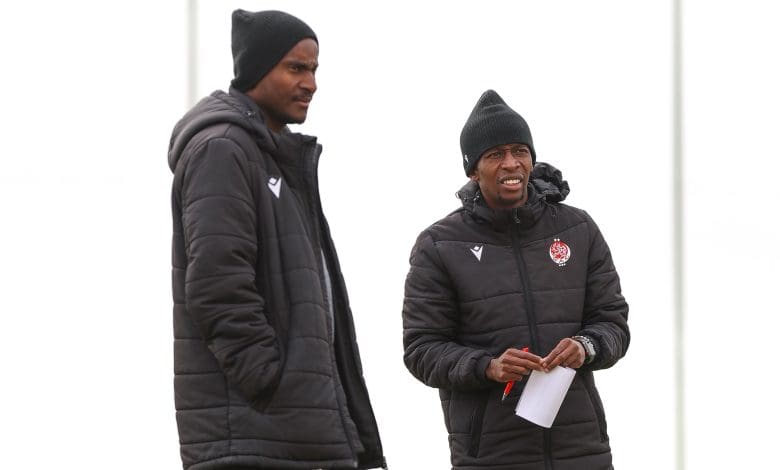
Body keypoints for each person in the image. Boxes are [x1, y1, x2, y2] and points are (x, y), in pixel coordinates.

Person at [167, 9, 386, 470]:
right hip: (258, 435)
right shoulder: (223, 149)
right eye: (296, 68)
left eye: (314, 69)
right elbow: (217, 284)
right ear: (255, 70)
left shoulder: (276, 157)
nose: (311, 83)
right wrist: (270, 379)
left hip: (296, 433)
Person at [402, 89, 630, 470]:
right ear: (473, 169)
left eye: (520, 151)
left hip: (582, 452)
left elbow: (613, 323)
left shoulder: (578, 229)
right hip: (490, 458)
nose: (511, 164)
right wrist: (487, 366)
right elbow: (421, 349)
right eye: (495, 155)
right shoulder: (438, 245)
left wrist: (585, 346)